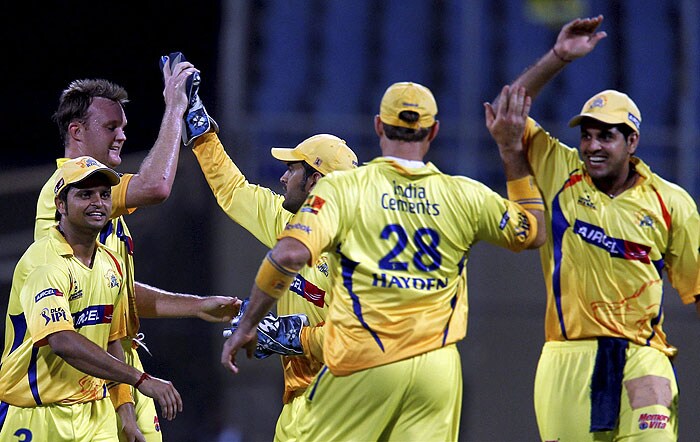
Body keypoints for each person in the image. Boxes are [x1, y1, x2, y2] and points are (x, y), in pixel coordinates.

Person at [221, 81, 546, 440]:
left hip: (367, 354)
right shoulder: (463, 194)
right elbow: (531, 231)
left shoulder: (347, 189)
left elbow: (289, 254)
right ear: (434, 130)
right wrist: (511, 149)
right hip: (437, 368)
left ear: (379, 126)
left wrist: (249, 324)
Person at [486, 15, 700, 441]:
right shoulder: (560, 170)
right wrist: (559, 56)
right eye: (587, 136)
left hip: (642, 356)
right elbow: (507, 109)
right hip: (567, 356)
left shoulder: (671, 202)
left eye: (607, 137)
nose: (593, 147)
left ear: (632, 142)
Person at [34, 56, 238, 441]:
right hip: (81, 385)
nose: (122, 135)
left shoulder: (98, 205)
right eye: (111, 126)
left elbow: (115, 294)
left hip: (115, 371)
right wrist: (176, 107)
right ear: (76, 132)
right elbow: (156, 187)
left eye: (124, 127)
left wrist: (196, 306)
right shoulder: (68, 190)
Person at [192, 124, 358, 439]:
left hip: (344, 407)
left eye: (292, 170)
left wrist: (292, 336)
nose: (283, 178)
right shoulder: (291, 223)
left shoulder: (357, 249)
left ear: (315, 181)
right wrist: (202, 136)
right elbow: (232, 191)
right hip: (301, 403)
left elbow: (360, 340)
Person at [0, 157, 183, 442]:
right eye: (85, 194)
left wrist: (127, 416)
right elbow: (62, 341)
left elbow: (113, 341)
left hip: (94, 413)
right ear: (61, 205)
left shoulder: (111, 263)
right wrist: (140, 379)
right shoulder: (43, 261)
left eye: (104, 194)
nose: (98, 202)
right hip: (37, 414)